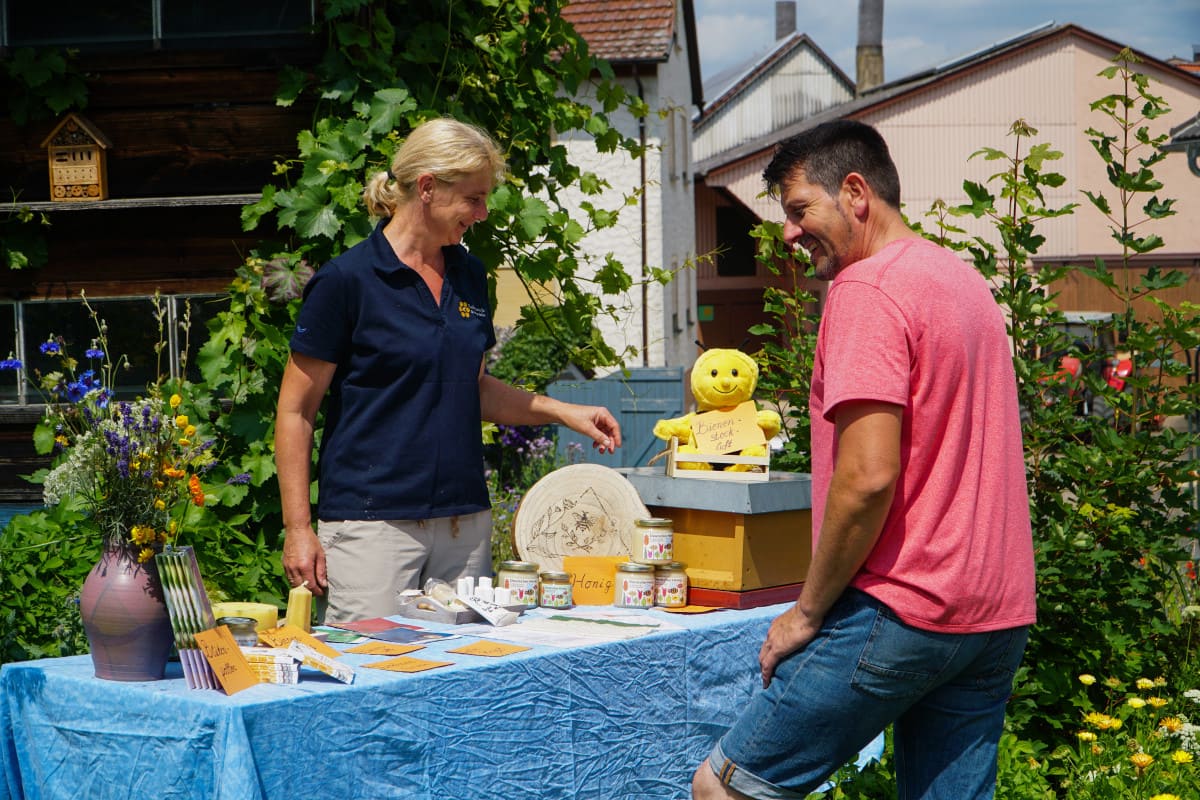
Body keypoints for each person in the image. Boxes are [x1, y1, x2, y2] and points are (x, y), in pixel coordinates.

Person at [692, 120, 1036, 800]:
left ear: (855, 192)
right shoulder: (961, 280)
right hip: (995, 612)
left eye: (798, 211)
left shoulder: (866, 289)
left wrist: (807, 612)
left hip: (903, 605)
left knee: (726, 789)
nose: (788, 233)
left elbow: (868, 475)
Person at [275, 117, 622, 623]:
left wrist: (565, 412)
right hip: (373, 527)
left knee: (464, 684)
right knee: (379, 681)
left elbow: (472, 388)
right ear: (428, 188)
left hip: (465, 526)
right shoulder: (346, 281)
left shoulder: (469, 275)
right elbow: (295, 411)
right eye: (473, 199)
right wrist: (298, 528)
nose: (481, 214)